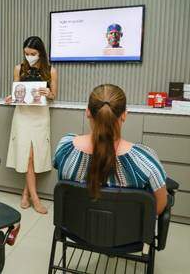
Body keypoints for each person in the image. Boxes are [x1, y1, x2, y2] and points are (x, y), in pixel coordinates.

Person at [54, 84, 167, 215]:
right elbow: (159, 207)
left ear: (88, 112)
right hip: (127, 235)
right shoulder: (145, 160)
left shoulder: (65, 147)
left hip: (75, 230)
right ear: (124, 115)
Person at [5, 36, 58, 214]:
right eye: (26, 53)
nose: (29, 56)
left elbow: (53, 96)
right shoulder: (18, 69)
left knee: (35, 157)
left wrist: (48, 92)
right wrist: (10, 98)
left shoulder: (51, 71)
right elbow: (17, 93)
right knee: (27, 157)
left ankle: (26, 193)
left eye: (33, 53)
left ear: (40, 53)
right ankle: (35, 198)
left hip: (40, 117)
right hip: (22, 116)